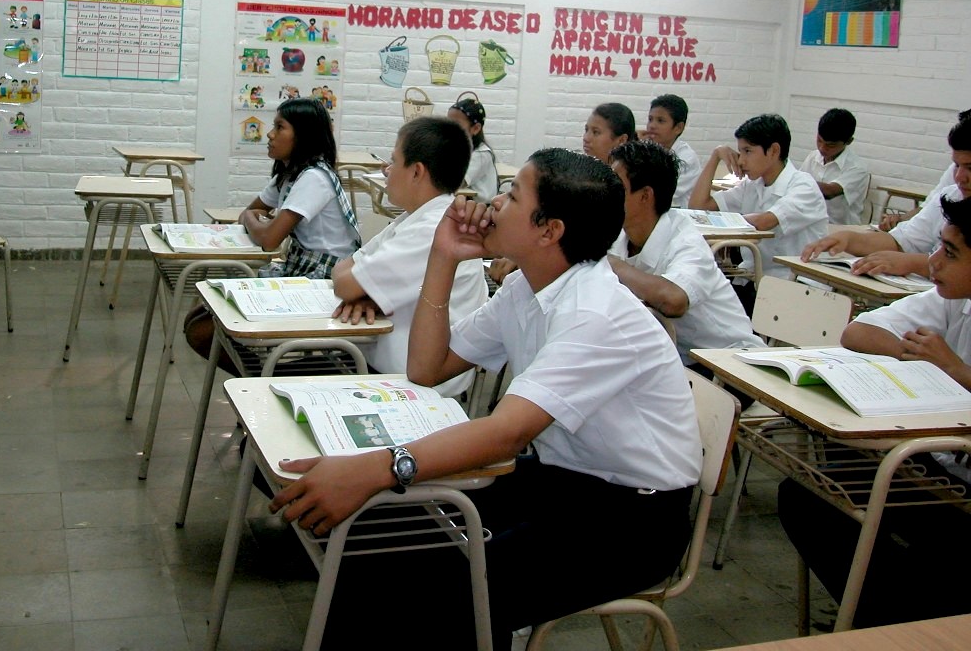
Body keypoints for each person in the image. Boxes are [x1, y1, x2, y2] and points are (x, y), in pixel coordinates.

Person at [271, 149, 701, 649]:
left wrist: (372, 468)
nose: (494, 203)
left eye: (514, 195)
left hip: (632, 521)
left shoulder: (597, 314)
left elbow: (505, 434)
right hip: (560, 481)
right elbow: (428, 369)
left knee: (452, 589)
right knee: (381, 539)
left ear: (549, 230)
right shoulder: (528, 287)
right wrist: (444, 255)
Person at [778, 193, 971, 628]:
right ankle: (889, 615)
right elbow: (858, 331)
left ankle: (899, 615)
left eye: (950, 253)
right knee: (808, 493)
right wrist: (919, 358)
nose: (933, 263)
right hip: (935, 464)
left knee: (942, 557)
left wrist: (956, 370)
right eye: (938, 247)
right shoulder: (952, 297)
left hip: (963, 487)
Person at [184, 97, 360, 364]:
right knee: (197, 318)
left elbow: (268, 239)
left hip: (327, 277)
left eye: (280, 127)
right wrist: (251, 217)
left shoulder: (314, 178)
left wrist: (248, 218)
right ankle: (261, 372)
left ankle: (261, 375)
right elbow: (255, 212)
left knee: (203, 331)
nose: (269, 134)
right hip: (302, 268)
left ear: (303, 136)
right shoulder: (290, 175)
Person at [332, 117, 489, 397]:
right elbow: (344, 270)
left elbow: (344, 283)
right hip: (385, 366)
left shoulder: (432, 228)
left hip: (409, 386)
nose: (386, 170)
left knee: (277, 376)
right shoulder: (417, 217)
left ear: (417, 172)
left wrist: (362, 290)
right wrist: (364, 292)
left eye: (393, 161)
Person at [607, 140, 762, 365]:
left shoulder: (686, 241)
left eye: (616, 186)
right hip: (676, 358)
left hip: (731, 364)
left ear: (645, 196)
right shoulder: (620, 235)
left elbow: (673, 301)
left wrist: (614, 265)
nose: (606, 193)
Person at [802, 116, 971, 277]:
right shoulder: (950, 196)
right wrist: (849, 239)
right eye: (956, 166)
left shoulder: (857, 167)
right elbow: (902, 242)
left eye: (970, 168)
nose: (959, 177)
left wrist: (913, 262)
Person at [690, 113, 827, 293]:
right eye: (740, 152)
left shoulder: (803, 185)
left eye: (748, 151)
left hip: (796, 284)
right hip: (754, 277)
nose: (740, 160)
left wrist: (725, 221)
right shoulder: (753, 184)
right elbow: (698, 207)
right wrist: (715, 157)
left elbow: (764, 222)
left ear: (773, 151)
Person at [800, 108, 869, 225]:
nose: (822, 148)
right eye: (819, 140)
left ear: (849, 141)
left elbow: (829, 191)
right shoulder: (813, 157)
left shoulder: (857, 168)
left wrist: (794, 179)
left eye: (830, 145)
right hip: (812, 224)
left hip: (842, 230)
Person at [643, 93, 700, 207]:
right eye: (650, 119)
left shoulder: (686, 158)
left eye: (660, 120)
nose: (652, 126)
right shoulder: (648, 149)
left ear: (678, 128)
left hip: (678, 216)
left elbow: (661, 194)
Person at [447, 93, 497, 201]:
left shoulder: (481, 154)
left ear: (475, 128)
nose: (449, 130)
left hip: (480, 210)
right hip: (464, 204)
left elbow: (456, 183)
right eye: (447, 124)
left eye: (456, 125)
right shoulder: (459, 149)